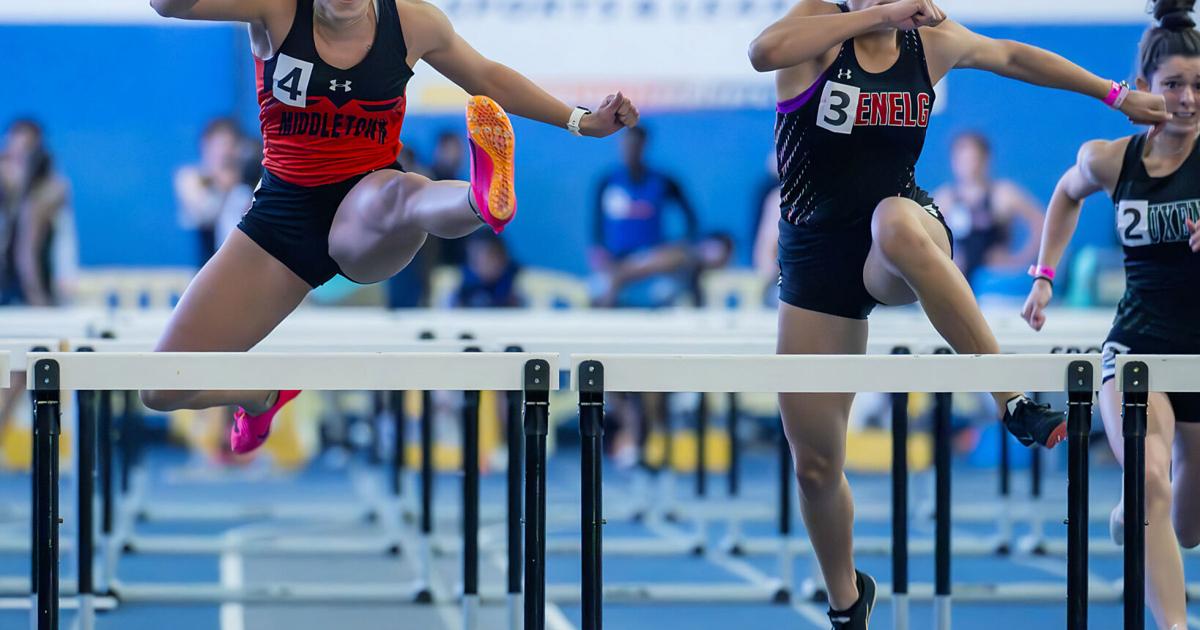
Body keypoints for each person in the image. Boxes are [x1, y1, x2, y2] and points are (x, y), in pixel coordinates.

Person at [748, 0, 1168, 626]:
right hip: (816, 261)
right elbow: (763, 53)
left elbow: (1014, 56)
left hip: (902, 239)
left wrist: (1113, 94)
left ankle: (1010, 398)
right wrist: (874, 17)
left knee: (893, 219)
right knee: (814, 466)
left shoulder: (929, 42)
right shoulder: (818, 27)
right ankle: (845, 600)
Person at [145, 0, 638, 454]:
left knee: (401, 196)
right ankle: (261, 394)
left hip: (369, 214)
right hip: (279, 225)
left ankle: (479, 197)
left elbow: (489, 77)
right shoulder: (275, 8)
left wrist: (582, 121)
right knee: (161, 387)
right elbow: (167, 5)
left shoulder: (414, 23)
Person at [1022, 3, 1200, 627]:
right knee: (1151, 475)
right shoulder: (1110, 159)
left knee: (1189, 524)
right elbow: (1065, 195)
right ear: (1147, 86)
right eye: (1175, 84)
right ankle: (1175, 625)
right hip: (1136, 345)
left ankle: (1143, 501)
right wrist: (1043, 277)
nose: (1187, 99)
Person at [589, 125, 700, 306]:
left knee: (669, 280)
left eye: (635, 145)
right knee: (597, 290)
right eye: (626, 144)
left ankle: (622, 276)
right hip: (618, 257)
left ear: (644, 146)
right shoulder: (608, 181)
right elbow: (596, 225)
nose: (629, 150)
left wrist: (683, 241)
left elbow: (691, 218)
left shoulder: (663, 181)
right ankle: (622, 276)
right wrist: (599, 253)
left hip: (654, 258)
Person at [932, 131, 1046, 288]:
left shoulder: (1003, 194)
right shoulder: (944, 199)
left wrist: (1020, 260)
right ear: (953, 162)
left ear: (986, 159)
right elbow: (922, 238)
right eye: (962, 160)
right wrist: (947, 258)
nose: (968, 166)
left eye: (973, 159)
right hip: (957, 277)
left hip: (994, 280)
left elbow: (1043, 224)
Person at [174, 117, 255, 266]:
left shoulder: (247, 185)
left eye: (232, 146)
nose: (227, 153)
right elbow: (202, 214)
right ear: (205, 146)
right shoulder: (193, 178)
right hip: (208, 266)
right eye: (221, 145)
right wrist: (222, 185)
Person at [450, 230, 522, 308]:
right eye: (476, 261)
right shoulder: (457, 281)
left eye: (489, 259)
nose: (482, 266)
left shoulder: (521, 281)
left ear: (503, 257)